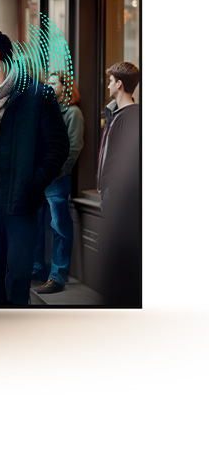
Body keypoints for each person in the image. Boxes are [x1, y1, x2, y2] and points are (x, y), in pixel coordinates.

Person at [0, 31, 69, 306]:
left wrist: (32, 184)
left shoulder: (37, 94)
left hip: (21, 202)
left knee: (20, 275)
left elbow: (58, 147)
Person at [32, 69, 85, 294]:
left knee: (60, 228)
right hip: (40, 178)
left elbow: (74, 148)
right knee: (36, 225)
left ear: (66, 87)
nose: (51, 85)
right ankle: (37, 269)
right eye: (49, 82)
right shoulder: (45, 109)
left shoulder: (72, 113)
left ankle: (58, 276)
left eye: (56, 82)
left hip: (58, 178)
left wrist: (53, 172)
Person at [97, 61, 141, 306]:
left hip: (117, 195)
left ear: (119, 84)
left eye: (110, 80)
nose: (108, 85)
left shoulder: (132, 117)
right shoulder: (115, 113)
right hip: (109, 193)